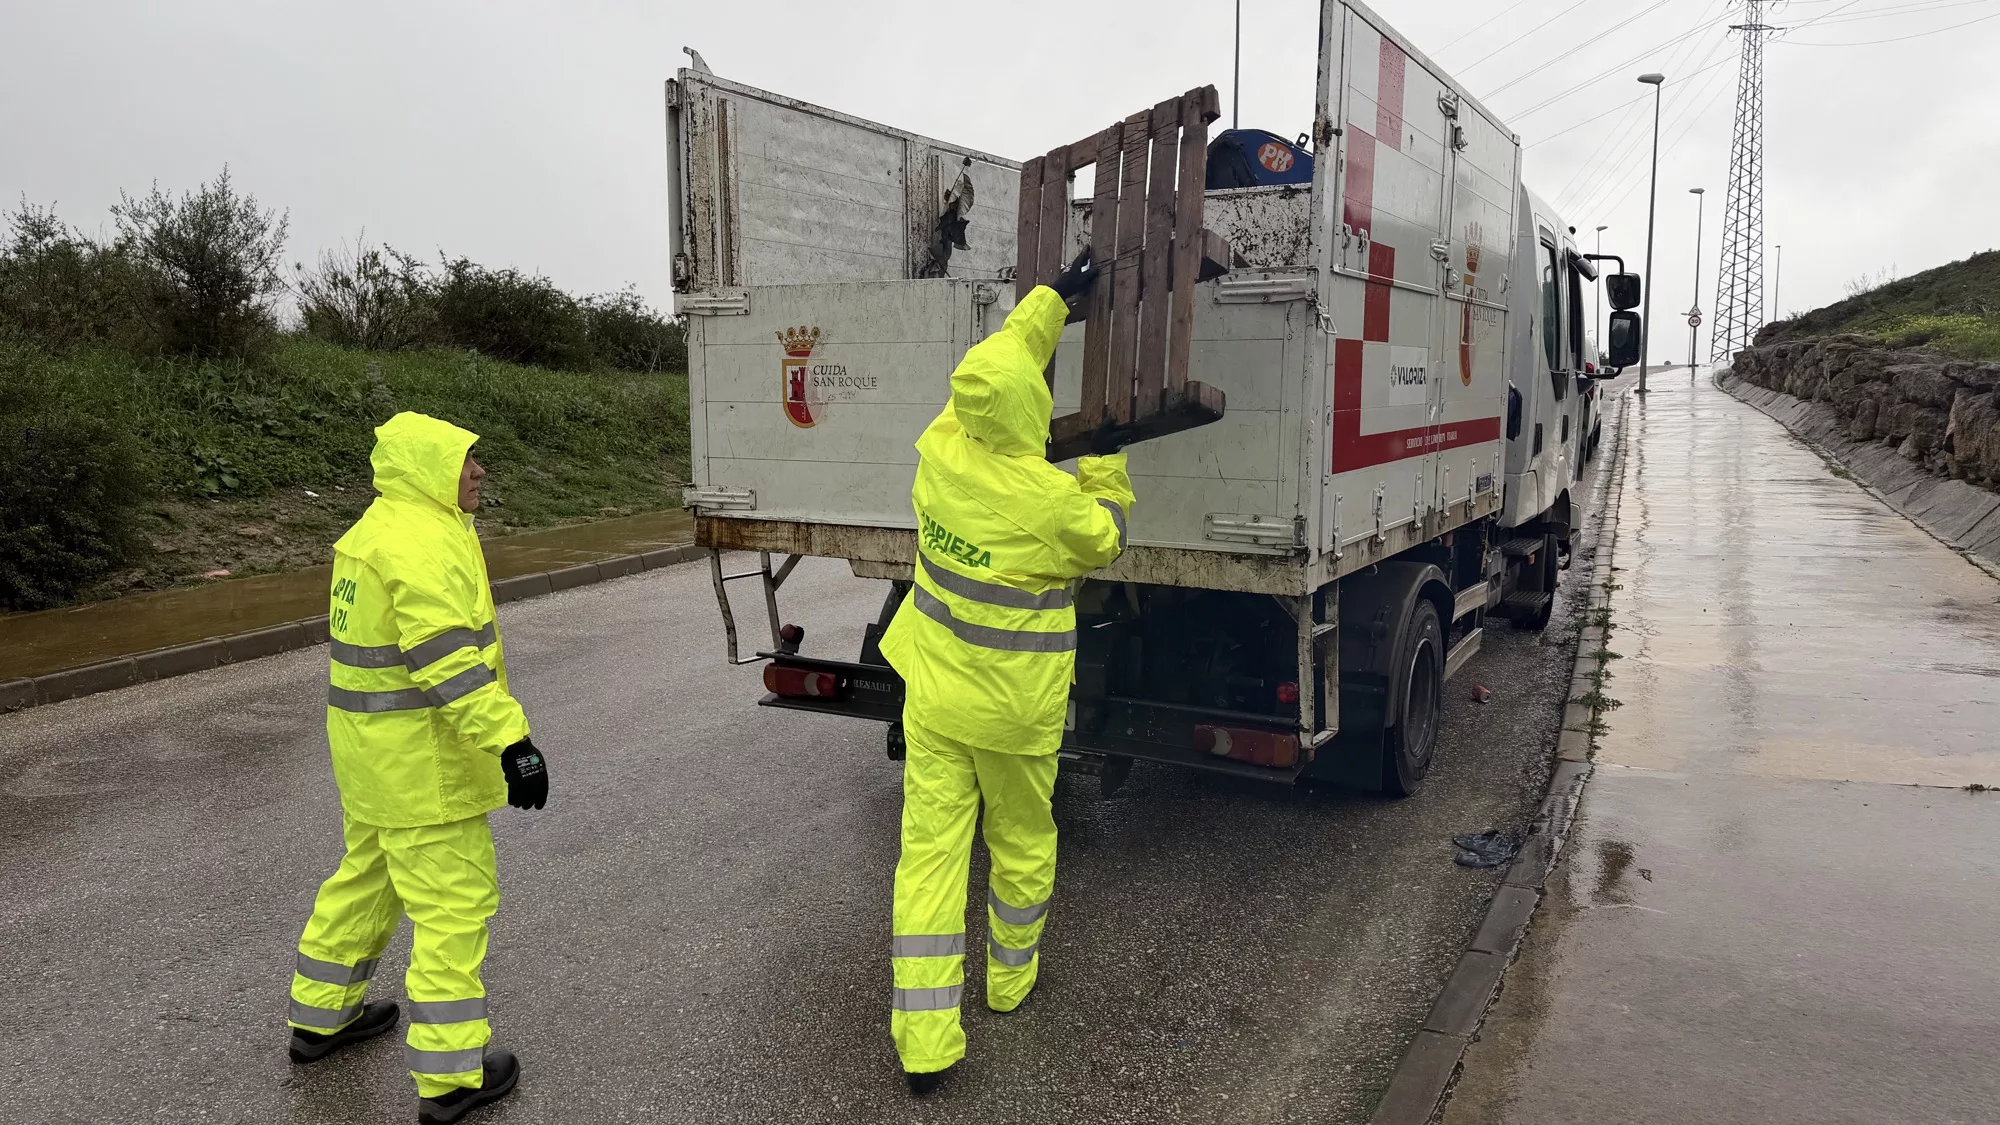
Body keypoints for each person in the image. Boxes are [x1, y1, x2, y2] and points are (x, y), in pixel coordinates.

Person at [877, 250, 1132, 1094]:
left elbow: (997, 371)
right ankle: (1009, 981)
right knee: (1019, 842)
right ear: (1034, 410)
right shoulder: (1049, 504)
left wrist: (1050, 300)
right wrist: (1106, 459)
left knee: (929, 859)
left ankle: (924, 1043)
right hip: (1016, 716)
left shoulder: (940, 450)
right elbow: (1107, 533)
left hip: (935, 699)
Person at [285, 411, 549, 1125]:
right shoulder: (420, 542)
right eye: (464, 459)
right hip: (424, 768)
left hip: (373, 759)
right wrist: (512, 741)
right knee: (453, 907)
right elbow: (447, 663)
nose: (478, 471)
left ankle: (321, 1015)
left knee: (366, 879)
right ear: (429, 468)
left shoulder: (377, 530)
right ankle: (451, 1075)